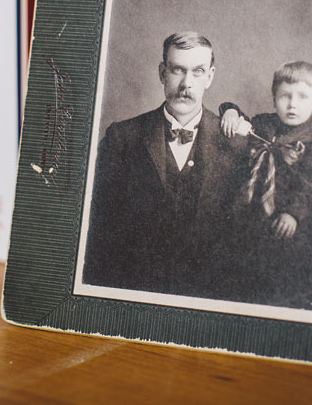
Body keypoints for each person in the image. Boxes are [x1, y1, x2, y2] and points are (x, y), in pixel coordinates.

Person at [81, 32, 244, 298]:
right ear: (162, 72)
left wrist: (233, 109)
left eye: (198, 71)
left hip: (208, 293)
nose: (186, 84)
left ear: (210, 77)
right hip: (136, 287)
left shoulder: (235, 143)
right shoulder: (123, 137)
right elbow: (99, 227)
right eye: (178, 70)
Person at [219, 60, 312, 307]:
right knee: (243, 275)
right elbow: (240, 119)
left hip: (285, 223)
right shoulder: (263, 124)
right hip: (251, 215)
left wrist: (293, 213)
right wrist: (231, 111)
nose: (292, 104)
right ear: (274, 98)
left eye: (302, 97)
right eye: (285, 96)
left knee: (278, 279)